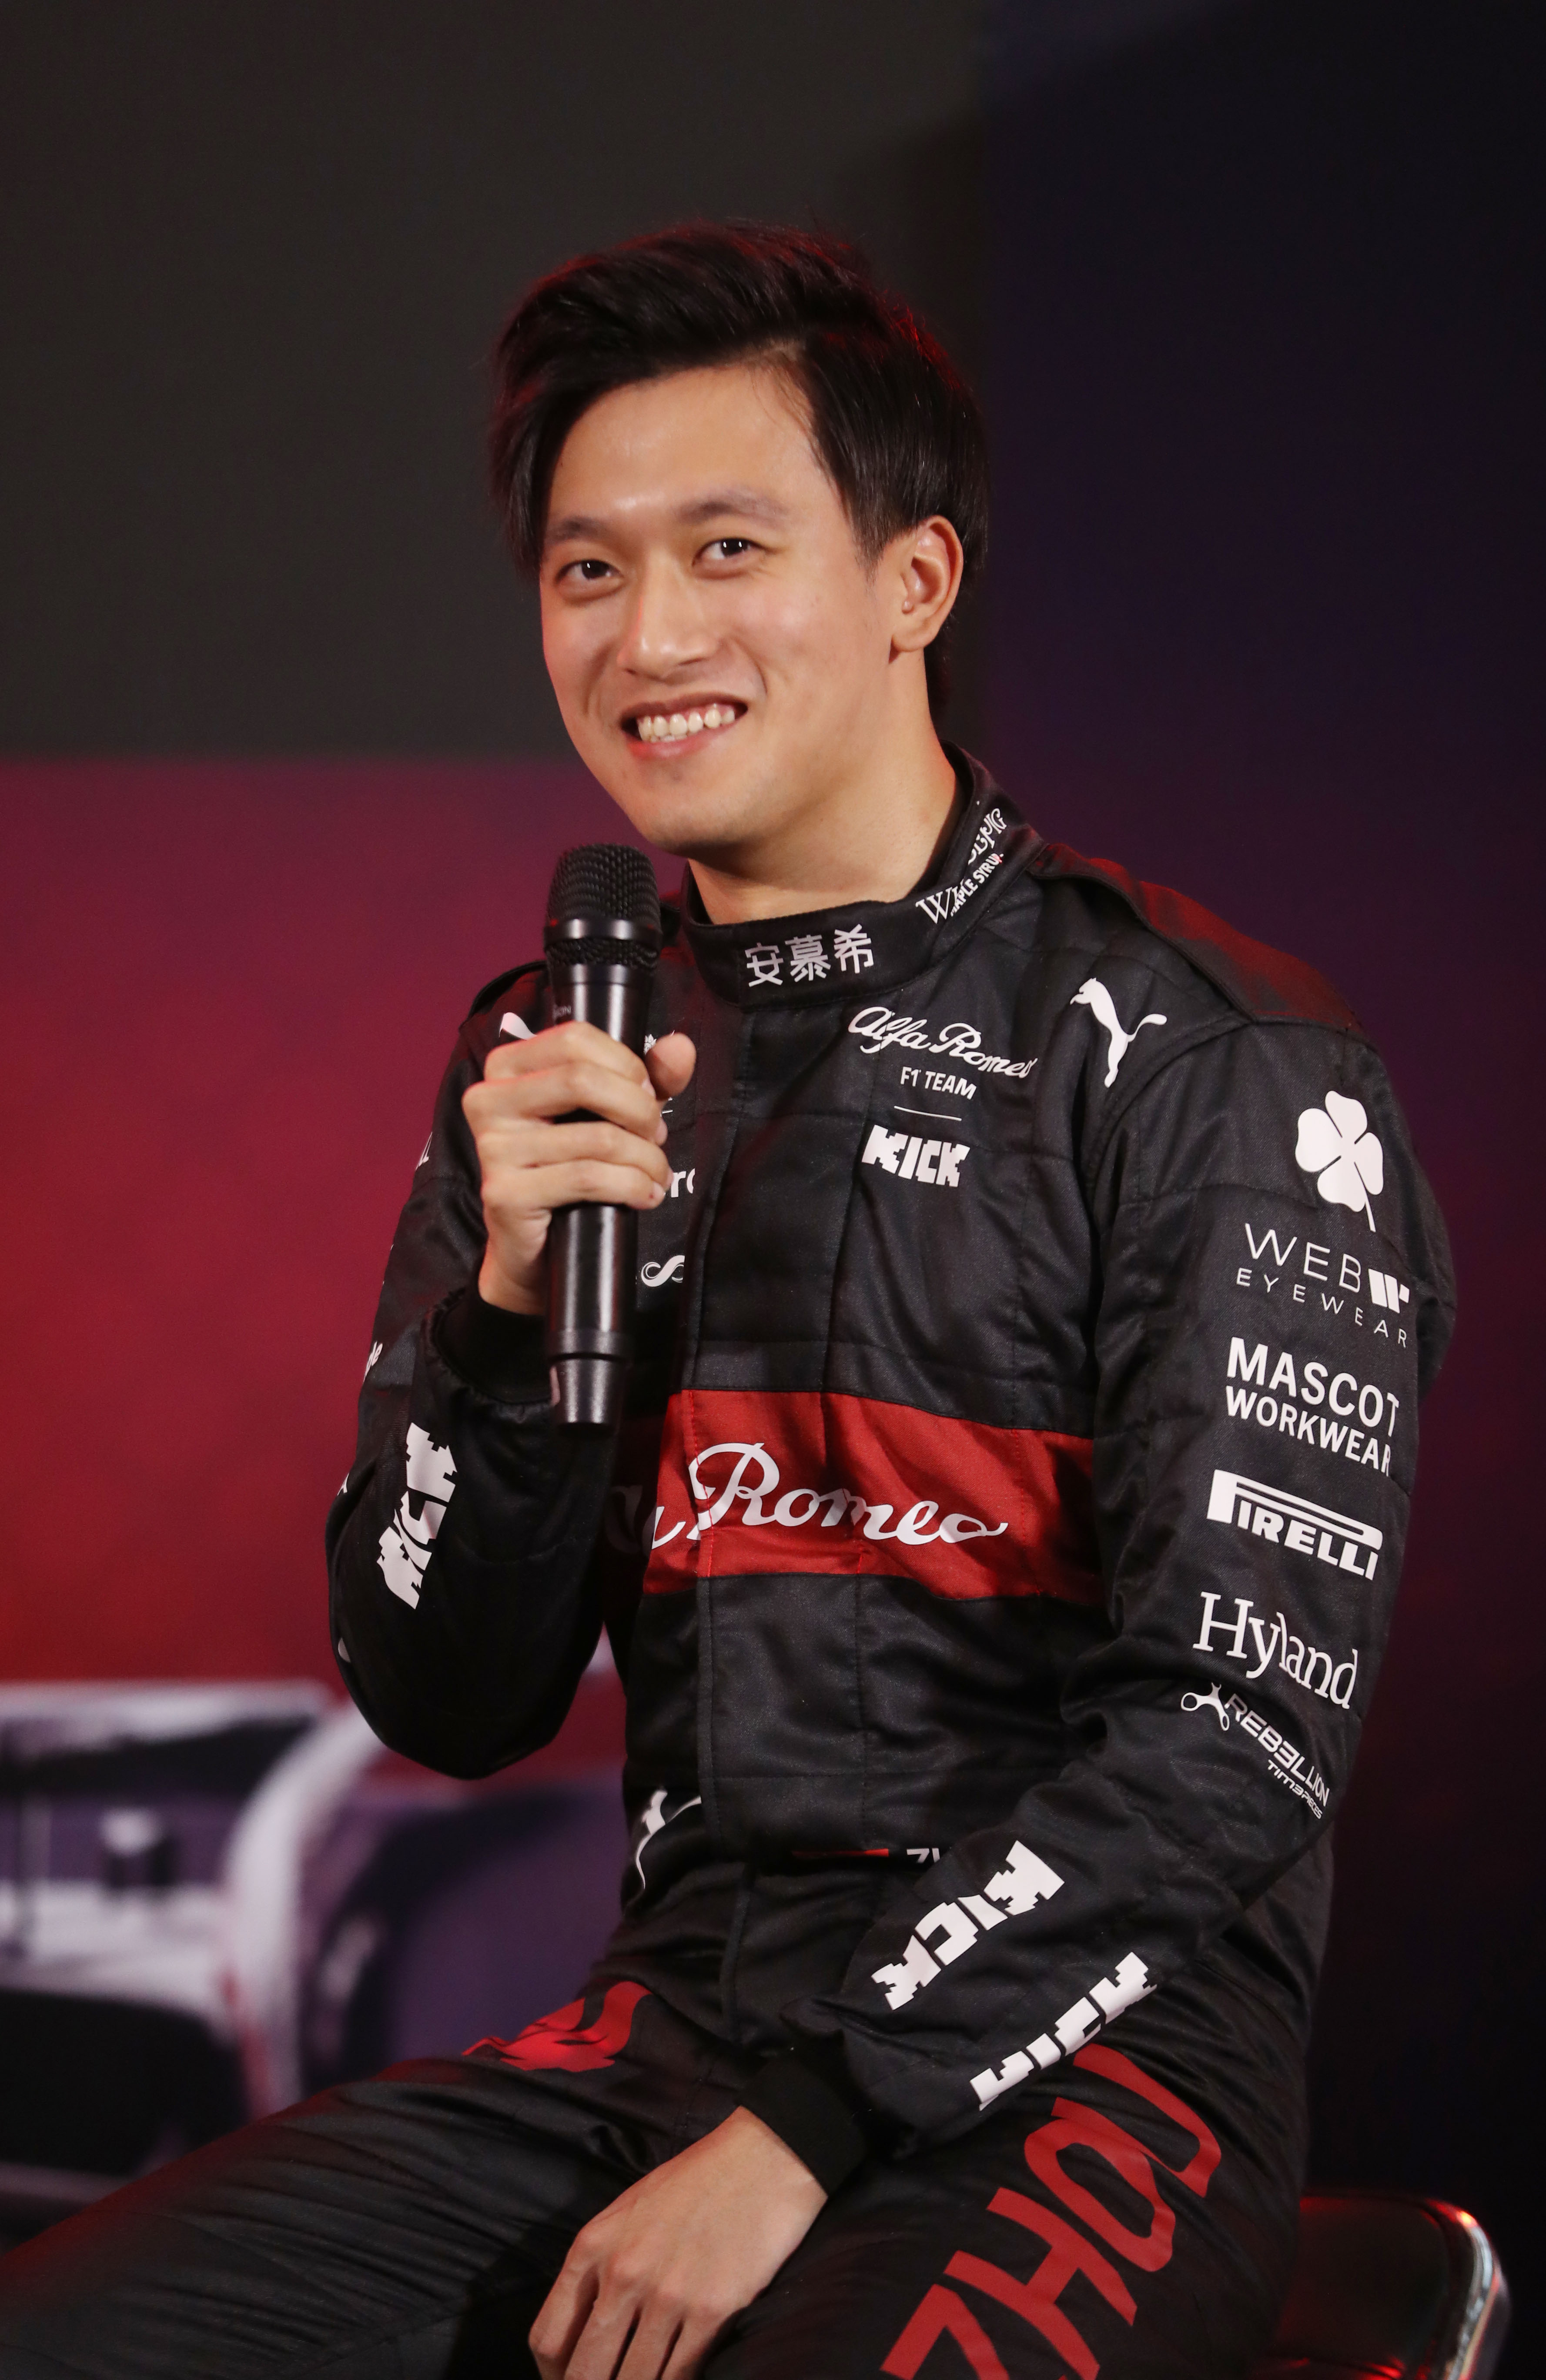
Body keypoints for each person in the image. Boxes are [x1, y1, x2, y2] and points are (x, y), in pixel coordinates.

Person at [0, 224, 1453, 2380]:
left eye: (726, 550)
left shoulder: (1217, 1057)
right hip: (672, 2031)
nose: (649, 634)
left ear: (915, 581)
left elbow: (1229, 1734)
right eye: (588, 571)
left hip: (1096, 2065)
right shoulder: (557, 1056)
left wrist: (810, 2128)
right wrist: (504, 1328)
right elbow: (443, 1697)